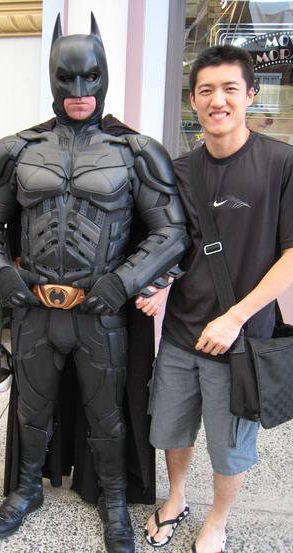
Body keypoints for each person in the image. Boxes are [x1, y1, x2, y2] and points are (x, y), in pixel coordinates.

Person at [0, 13, 188, 553]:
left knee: (107, 413)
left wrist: (123, 282)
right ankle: (26, 490)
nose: (79, 91)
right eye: (66, 78)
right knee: (30, 409)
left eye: (90, 77)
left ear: (104, 75)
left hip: (100, 312)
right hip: (35, 308)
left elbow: (172, 231)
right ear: (51, 78)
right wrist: (2, 272)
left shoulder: (135, 152)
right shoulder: (17, 150)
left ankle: (114, 499)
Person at [137, 45, 293, 553]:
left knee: (230, 445)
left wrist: (235, 317)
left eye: (230, 89)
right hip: (182, 331)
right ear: (193, 100)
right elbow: (178, 244)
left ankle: (218, 521)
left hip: (242, 338)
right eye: (206, 90)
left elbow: (291, 254)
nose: (217, 100)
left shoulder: (280, 163)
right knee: (172, 428)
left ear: (251, 94)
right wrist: (161, 284)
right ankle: (177, 498)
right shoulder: (181, 170)